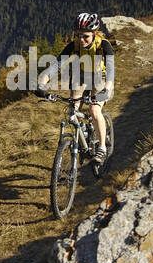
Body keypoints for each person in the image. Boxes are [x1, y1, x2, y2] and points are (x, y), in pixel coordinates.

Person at [37, 11, 114, 165]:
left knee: (94, 110)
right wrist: (42, 83)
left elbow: (111, 69)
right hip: (82, 76)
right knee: (72, 109)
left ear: (94, 33)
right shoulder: (74, 45)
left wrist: (108, 88)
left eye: (85, 36)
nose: (81, 39)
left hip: (101, 78)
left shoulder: (103, 45)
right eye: (78, 35)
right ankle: (83, 139)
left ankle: (102, 148)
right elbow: (55, 66)